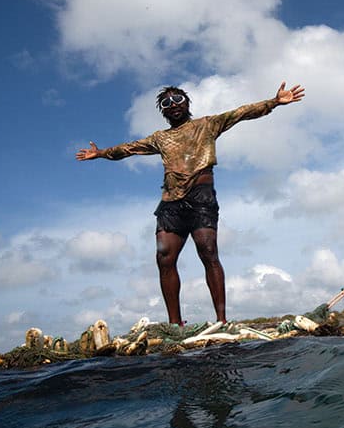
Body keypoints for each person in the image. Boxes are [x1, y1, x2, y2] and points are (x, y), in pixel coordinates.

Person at [75, 82, 305, 326]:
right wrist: (100, 153)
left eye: (178, 99)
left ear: (187, 103)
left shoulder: (207, 124)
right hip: (171, 202)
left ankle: (221, 320)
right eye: (166, 103)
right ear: (162, 111)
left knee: (207, 252)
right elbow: (128, 149)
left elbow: (241, 113)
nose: (173, 105)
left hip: (201, 197)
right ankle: (175, 324)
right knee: (164, 256)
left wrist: (274, 102)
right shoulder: (160, 138)